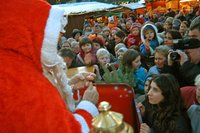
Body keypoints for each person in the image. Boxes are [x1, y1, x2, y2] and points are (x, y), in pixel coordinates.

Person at [0, 0, 99, 132]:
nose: (60, 35)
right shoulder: (19, 80)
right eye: (55, 31)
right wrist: (88, 106)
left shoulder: (15, 63)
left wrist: (69, 87)